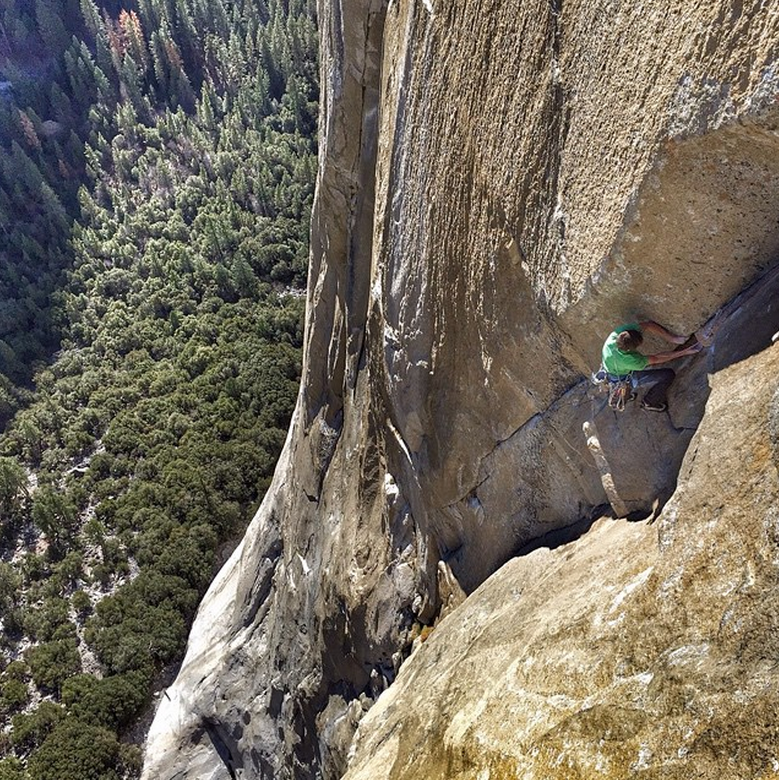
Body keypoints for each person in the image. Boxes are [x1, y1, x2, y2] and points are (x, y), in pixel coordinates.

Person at [601, 320, 702, 412]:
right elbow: (657, 358)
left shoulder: (616, 335)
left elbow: (648, 325)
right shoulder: (631, 361)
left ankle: (627, 395)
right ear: (629, 350)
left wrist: (674, 339)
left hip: (612, 368)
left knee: (626, 377)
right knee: (668, 375)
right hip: (623, 377)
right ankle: (649, 402)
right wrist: (684, 352)